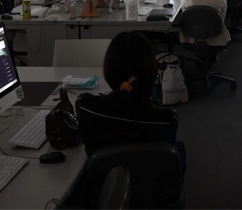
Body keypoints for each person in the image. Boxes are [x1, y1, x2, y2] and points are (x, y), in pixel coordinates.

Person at [75, 31, 186, 169]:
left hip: (104, 180)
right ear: (151, 72)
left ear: (108, 70)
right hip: (152, 180)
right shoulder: (167, 120)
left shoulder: (85, 107)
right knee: (177, 148)